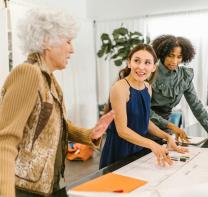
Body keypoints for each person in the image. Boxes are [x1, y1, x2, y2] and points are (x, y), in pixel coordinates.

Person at [0, 9, 114, 197]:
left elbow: (53, 124)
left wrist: (89, 134)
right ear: (46, 41)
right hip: (24, 188)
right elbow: (5, 140)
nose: (72, 49)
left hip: (50, 182)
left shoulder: (49, 79)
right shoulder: (28, 74)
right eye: (68, 41)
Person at [99, 44, 188, 169]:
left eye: (147, 62)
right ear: (129, 63)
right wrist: (152, 144)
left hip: (138, 148)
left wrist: (167, 137)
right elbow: (122, 131)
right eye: (137, 61)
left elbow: (144, 122)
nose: (141, 67)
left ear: (153, 67)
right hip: (119, 150)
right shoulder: (120, 88)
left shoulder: (147, 87)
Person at [150, 35, 208, 143]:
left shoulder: (184, 76)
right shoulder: (150, 72)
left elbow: (196, 105)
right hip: (145, 125)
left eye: (179, 57)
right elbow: (145, 111)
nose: (174, 61)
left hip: (166, 127)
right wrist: (172, 126)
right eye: (171, 56)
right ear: (162, 54)